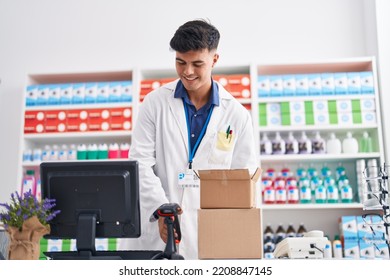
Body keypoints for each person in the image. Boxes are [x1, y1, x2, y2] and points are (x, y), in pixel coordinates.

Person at [125, 19, 258, 259]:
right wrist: (161, 210)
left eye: (197, 64)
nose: (187, 72)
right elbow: (139, 163)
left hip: (208, 233)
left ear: (214, 59)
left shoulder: (236, 115)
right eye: (180, 62)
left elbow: (243, 180)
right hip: (155, 231)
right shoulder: (154, 103)